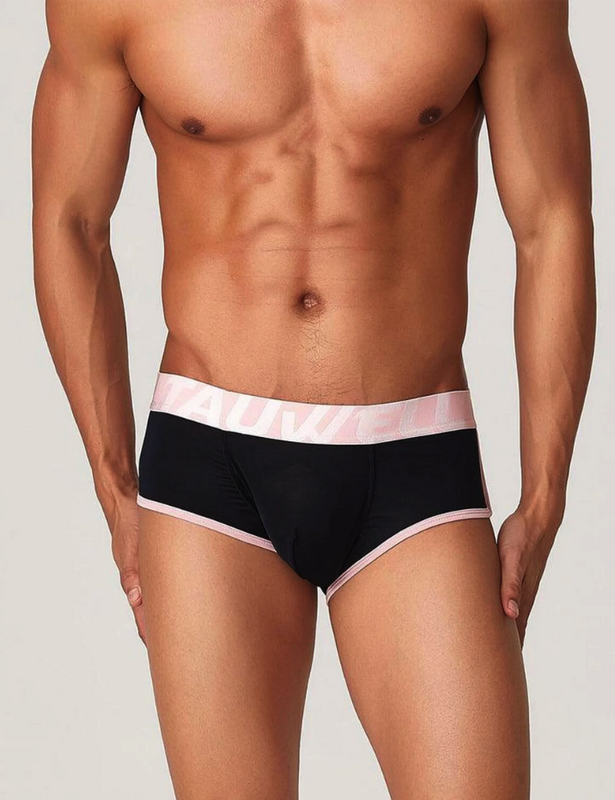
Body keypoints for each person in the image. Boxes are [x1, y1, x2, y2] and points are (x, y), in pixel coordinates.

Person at [31, 0, 595, 797]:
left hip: (412, 453)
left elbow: (551, 221)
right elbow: (70, 219)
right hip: (209, 459)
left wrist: (544, 497)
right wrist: (115, 487)